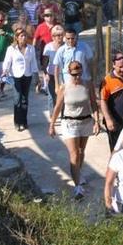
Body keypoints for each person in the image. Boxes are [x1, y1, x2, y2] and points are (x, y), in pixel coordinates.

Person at [49, 60, 100, 199]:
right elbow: (58, 107)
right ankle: (77, 187)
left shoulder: (88, 85)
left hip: (85, 121)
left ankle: (78, 171)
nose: (77, 77)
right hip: (69, 123)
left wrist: (97, 121)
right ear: (69, 73)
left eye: (79, 74)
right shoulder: (64, 88)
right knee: (74, 154)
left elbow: (94, 104)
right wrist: (52, 124)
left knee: (82, 151)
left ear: (82, 72)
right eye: (74, 75)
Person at [1, 27, 39, 132]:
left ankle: (24, 121)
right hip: (16, 76)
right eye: (21, 36)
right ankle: (17, 122)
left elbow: (34, 63)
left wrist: (36, 77)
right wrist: (5, 71)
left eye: (25, 35)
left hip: (27, 75)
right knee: (17, 99)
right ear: (16, 38)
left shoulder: (31, 48)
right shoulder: (11, 48)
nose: (24, 38)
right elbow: (7, 62)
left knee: (25, 99)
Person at [52, 28, 96, 104]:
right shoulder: (61, 50)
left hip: (83, 79)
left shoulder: (84, 47)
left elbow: (91, 63)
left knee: (85, 100)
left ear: (76, 37)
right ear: (65, 38)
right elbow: (57, 68)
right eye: (68, 38)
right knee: (67, 102)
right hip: (67, 81)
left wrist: (92, 77)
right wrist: (57, 85)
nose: (71, 41)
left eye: (73, 38)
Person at [40, 25, 65, 114]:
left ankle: (63, 114)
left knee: (63, 94)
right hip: (51, 73)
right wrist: (45, 74)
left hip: (63, 74)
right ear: (52, 36)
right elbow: (44, 62)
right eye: (56, 35)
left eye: (61, 34)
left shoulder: (66, 46)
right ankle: (52, 114)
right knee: (52, 95)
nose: (59, 37)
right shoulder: (48, 47)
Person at [32, 9, 57, 93]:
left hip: (56, 50)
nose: (49, 17)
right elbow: (35, 38)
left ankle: (55, 83)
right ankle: (46, 86)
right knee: (45, 68)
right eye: (46, 15)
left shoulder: (57, 26)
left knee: (56, 66)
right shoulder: (40, 27)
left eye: (50, 15)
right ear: (44, 17)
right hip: (44, 51)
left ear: (53, 16)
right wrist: (32, 50)